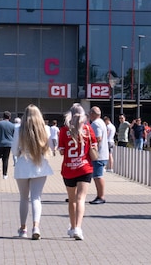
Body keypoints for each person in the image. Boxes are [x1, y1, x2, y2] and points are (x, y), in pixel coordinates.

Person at [13, 104, 54, 240]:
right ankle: (36, 226)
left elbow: (14, 150)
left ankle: (23, 228)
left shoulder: (19, 129)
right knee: (36, 197)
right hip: (40, 165)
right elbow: (51, 148)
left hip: (23, 165)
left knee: (24, 198)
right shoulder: (46, 129)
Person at [59, 103, 97, 240]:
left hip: (69, 168)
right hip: (85, 167)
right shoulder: (87, 129)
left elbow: (62, 151)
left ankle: (72, 225)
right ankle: (78, 228)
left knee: (72, 200)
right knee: (81, 198)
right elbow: (94, 146)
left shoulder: (64, 130)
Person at [89, 106, 111, 204]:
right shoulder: (102, 122)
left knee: (98, 176)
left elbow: (98, 138)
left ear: (93, 114)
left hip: (98, 154)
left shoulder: (96, 124)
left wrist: (93, 149)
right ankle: (100, 195)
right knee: (97, 175)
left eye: (90, 114)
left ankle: (101, 196)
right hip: (102, 153)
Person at [0, 110, 16, 180]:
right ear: (9, 117)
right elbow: (14, 135)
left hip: (0, 143)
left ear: (3, 116)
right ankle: (5, 174)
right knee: (6, 159)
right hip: (9, 143)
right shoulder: (12, 125)